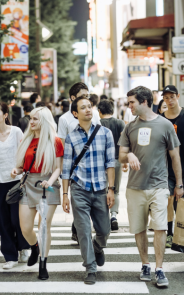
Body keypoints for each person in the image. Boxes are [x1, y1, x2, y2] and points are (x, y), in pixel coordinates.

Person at [118, 86, 183, 287]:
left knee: (160, 227)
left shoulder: (165, 125)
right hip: (135, 186)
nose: (129, 106)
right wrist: (128, 155)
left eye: (132, 102)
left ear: (144, 101)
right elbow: (120, 155)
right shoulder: (129, 127)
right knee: (139, 229)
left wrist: (179, 184)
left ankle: (159, 268)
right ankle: (145, 264)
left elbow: (175, 157)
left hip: (159, 185)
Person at [62, 96, 115, 285]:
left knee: (104, 230)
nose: (88, 110)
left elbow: (110, 163)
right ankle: (90, 267)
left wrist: (111, 189)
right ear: (75, 113)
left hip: (100, 189)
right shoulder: (71, 137)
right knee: (83, 231)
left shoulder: (105, 133)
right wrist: (65, 194)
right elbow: (66, 168)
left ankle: (98, 248)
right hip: (79, 190)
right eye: (83, 108)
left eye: (89, 106)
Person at [12, 107, 63, 280]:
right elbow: (22, 166)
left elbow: (58, 168)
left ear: (45, 120)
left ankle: (43, 263)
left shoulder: (55, 142)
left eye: (35, 119)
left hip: (48, 185)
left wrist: (50, 180)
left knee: (44, 227)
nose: (31, 122)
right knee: (25, 227)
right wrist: (16, 170)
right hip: (28, 184)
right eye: (30, 118)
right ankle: (34, 246)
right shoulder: (26, 140)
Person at [0, 102, 30, 269]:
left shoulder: (15, 131)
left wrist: (19, 169)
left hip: (17, 181)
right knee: (3, 220)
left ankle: (24, 246)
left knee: (18, 219)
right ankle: (10, 255)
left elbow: (24, 152)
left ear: (5, 115)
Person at [57, 82, 101, 243]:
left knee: (94, 204)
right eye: (83, 96)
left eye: (88, 96)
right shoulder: (64, 119)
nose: (87, 100)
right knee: (79, 203)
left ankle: (79, 229)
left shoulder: (94, 114)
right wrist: (62, 170)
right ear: (73, 98)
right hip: (75, 168)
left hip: (94, 167)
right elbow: (61, 145)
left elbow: (99, 137)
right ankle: (81, 231)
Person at [161, 85, 184, 248]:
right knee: (167, 200)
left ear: (178, 96)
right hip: (165, 168)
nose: (169, 100)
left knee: (182, 202)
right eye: (166, 97)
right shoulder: (160, 119)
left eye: (172, 97)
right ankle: (169, 233)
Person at [98, 99, 127, 230]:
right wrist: (124, 160)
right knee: (114, 189)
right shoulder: (119, 123)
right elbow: (124, 142)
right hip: (116, 160)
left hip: (100, 162)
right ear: (112, 110)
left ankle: (103, 218)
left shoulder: (97, 124)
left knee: (102, 191)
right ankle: (114, 216)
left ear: (99, 111)